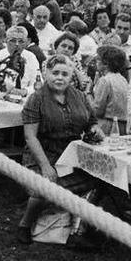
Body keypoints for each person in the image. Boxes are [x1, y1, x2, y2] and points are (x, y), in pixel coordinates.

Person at [16, 55, 103, 246]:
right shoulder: (36, 99)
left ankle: (78, 228)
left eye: (65, 74)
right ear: (46, 74)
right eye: (55, 73)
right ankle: (25, 224)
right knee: (43, 187)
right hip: (42, 155)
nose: (59, 77)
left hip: (71, 156)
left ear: (71, 76)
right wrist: (46, 166)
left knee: (99, 180)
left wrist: (94, 131)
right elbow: (30, 137)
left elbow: (92, 122)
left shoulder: (80, 96)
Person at [90, 44, 131, 134]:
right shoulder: (123, 79)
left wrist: (88, 93)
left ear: (106, 63)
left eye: (98, 59)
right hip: (122, 124)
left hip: (107, 125)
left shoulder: (105, 80)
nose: (96, 62)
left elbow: (98, 110)